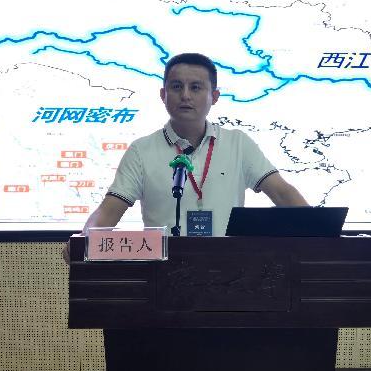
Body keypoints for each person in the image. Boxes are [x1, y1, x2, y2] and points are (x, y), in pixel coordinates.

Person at [63, 53, 308, 262]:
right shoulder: (141, 151)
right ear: (163, 94)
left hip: (229, 271)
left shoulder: (238, 143)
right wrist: (84, 237)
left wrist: (321, 231)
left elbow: (282, 193)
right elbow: (109, 210)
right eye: (177, 86)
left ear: (215, 96)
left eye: (196, 87)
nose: (186, 95)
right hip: (162, 276)